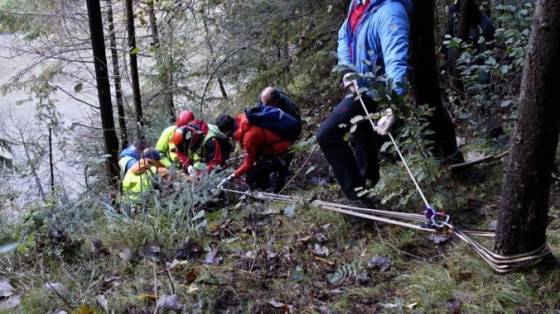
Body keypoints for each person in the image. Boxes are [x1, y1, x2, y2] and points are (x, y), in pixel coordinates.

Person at [316, 0, 410, 206]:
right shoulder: (359, 4)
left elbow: (396, 58)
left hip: (377, 91)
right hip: (361, 85)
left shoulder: (390, 12)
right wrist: (347, 69)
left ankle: (359, 201)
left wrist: (393, 103)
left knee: (327, 134)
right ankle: (367, 184)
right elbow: (344, 33)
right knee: (361, 135)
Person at [219, 112, 292, 193]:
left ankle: (268, 192)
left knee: (252, 175)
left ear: (228, 131)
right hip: (280, 147)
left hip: (281, 153)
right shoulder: (243, 119)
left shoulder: (248, 137)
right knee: (257, 170)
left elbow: (248, 163)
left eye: (225, 133)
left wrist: (233, 175)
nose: (226, 136)